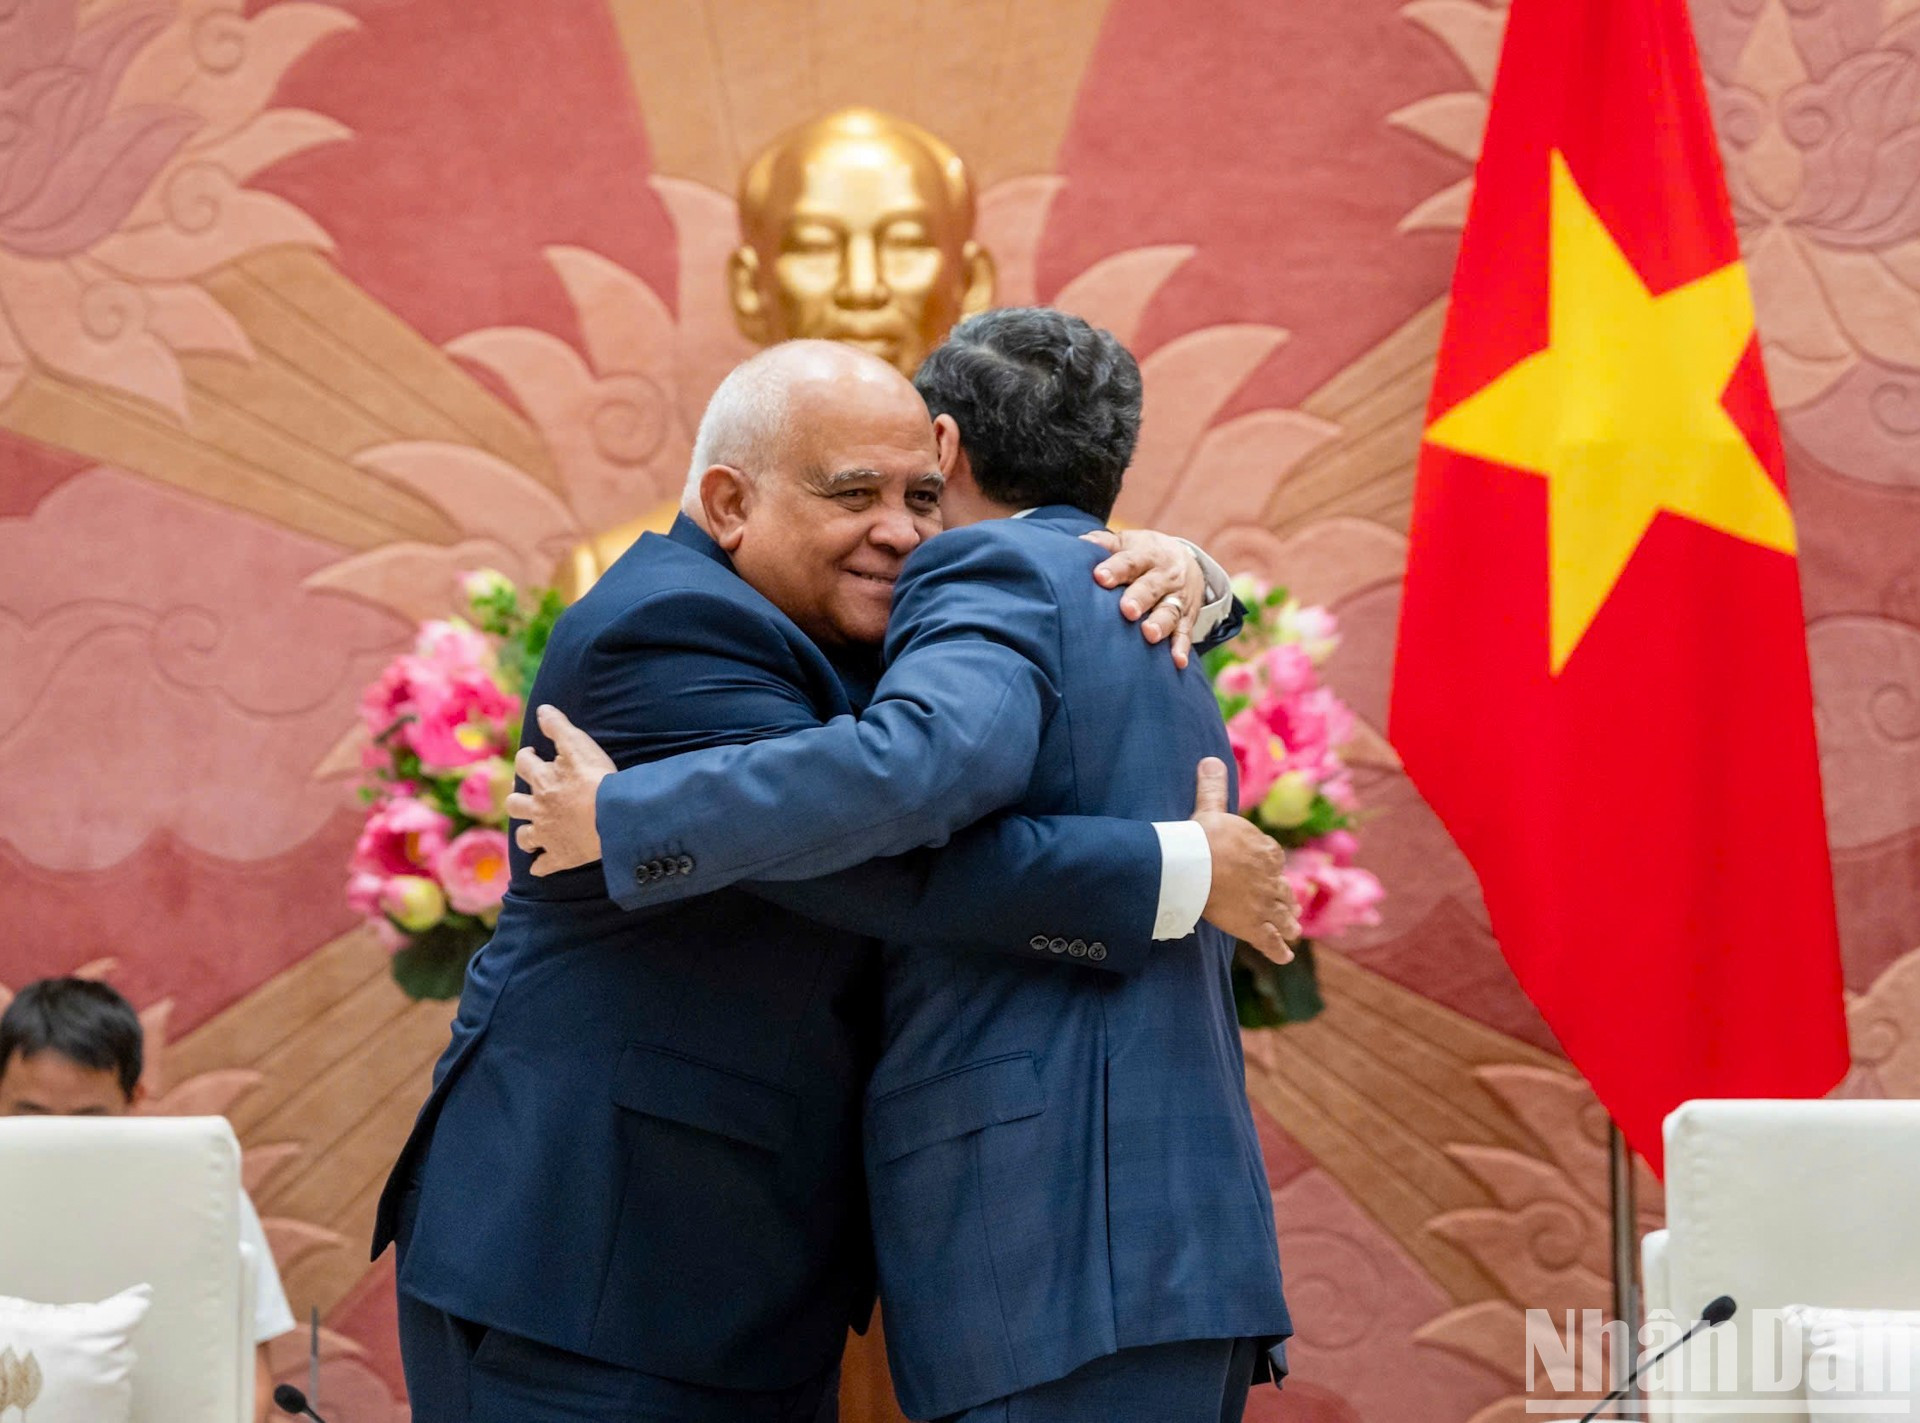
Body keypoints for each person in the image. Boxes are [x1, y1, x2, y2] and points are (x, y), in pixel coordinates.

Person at [373, 338, 1296, 1423]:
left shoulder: (850, 616)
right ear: (727, 502)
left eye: (919, 493)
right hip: (587, 1268)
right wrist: (1175, 869)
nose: (901, 530)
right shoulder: (667, 625)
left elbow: (1014, 611)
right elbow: (885, 856)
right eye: (854, 494)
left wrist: (1197, 575)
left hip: (735, 1277)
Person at [0, 977, 297, 1423]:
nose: (58, 1141)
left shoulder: (201, 1190)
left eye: (87, 1119)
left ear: (132, 1099)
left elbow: (249, 1380)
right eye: (32, 1116)